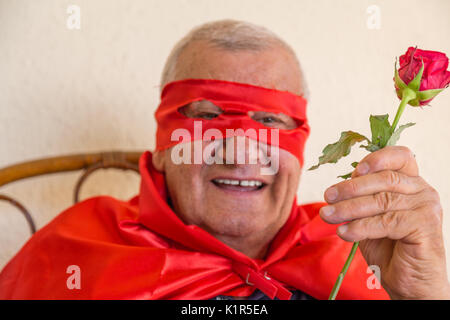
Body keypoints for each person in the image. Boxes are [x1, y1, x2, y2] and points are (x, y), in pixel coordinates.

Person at [0, 19, 448, 300]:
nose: (240, 151)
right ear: (162, 145)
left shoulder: (360, 256)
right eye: (207, 116)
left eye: (271, 120)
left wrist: (420, 295)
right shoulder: (76, 254)